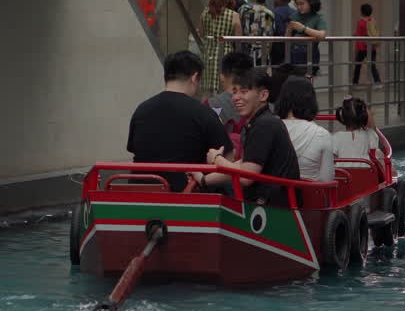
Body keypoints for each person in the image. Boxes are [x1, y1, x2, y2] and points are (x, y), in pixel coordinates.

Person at [127, 51, 233, 191]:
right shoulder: (204, 113)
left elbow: (134, 149)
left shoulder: (141, 110)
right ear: (194, 77)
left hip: (140, 192)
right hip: (187, 195)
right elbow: (229, 158)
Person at [203, 68, 300, 207]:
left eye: (244, 92)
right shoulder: (260, 121)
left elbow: (246, 176)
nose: (236, 98)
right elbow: (243, 164)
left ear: (263, 95)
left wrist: (216, 159)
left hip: (274, 210)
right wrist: (204, 180)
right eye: (235, 92)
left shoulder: (264, 124)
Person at [275, 76, 334, 182]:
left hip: (278, 195)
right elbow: (327, 178)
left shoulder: (270, 128)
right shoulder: (321, 134)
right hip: (312, 195)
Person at [201, 0, 242, 96]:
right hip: (225, 55)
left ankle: (208, 111)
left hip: (208, 53)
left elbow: (202, 33)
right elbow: (238, 39)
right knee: (225, 89)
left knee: (207, 91)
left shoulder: (205, 13)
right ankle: (221, 113)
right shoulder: (233, 15)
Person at [332, 97, 382, 168]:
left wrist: (347, 104)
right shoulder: (370, 134)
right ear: (364, 116)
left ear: (342, 117)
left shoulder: (336, 137)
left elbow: (332, 159)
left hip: (344, 175)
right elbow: (374, 146)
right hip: (367, 173)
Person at [289, 0, 327, 75]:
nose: (299, 7)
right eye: (296, 4)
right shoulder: (294, 16)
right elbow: (287, 39)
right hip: (294, 55)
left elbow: (322, 34)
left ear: (311, 2)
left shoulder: (318, 17)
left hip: (310, 56)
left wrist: (303, 28)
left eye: (302, 4)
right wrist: (289, 29)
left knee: (307, 83)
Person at [240, 0, 275, 64]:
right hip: (262, 53)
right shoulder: (269, 14)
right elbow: (270, 34)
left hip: (245, 51)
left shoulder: (243, 10)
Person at [351, 3, 382, 85]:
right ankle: (378, 82)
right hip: (372, 47)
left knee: (358, 65)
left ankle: (355, 83)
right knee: (372, 66)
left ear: (362, 12)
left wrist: (356, 48)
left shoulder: (360, 22)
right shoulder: (373, 21)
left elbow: (358, 36)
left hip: (362, 48)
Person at [269, 0, 295, 65]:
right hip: (292, 48)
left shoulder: (273, 12)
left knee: (277, 72)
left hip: (277, 49)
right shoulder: (295, 12)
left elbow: (272, 30)